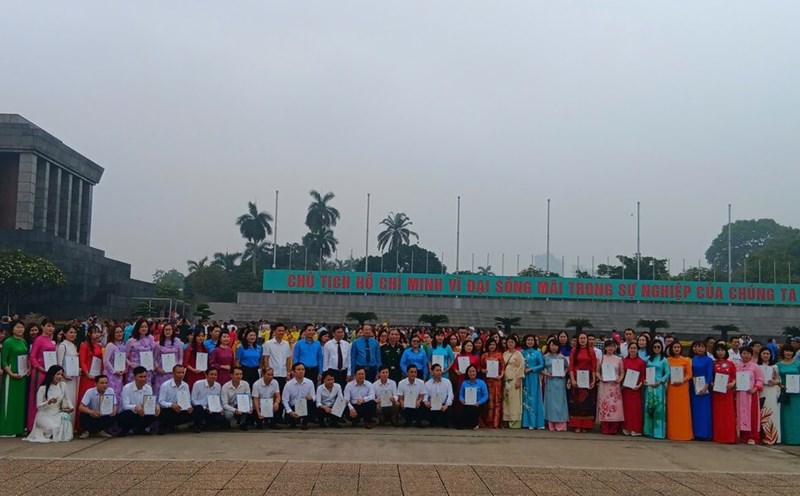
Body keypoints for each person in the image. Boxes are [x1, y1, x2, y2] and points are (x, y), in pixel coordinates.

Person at [24, 365, 74, 442]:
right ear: (51, 375)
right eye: (58, 374)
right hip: (44, 416)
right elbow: (38, 406)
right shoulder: (43, 388)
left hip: (57, 415)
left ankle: (56, 435)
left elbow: (67, 399)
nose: (60, 376)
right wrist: (48, 402)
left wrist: (71, 407)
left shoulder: (63, 385)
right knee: (54, 428)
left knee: (65, 417)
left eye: (61, 374)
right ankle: (48, 433)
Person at [0, 320, 29, 436]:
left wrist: (28, 368)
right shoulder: (8, 342)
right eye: (18, 327)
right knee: (9, 401)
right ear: (12, 329)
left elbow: (26, 357)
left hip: (22, 376)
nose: (20, 329)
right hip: (11, 376)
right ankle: (7, 428)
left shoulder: (23, 341)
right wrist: (10, 373)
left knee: (20, 402)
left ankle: (18, 429)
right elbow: (3, 361)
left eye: (22, 327)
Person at [27, 320, 57, 432]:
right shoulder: (39, 339)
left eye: (52, 326)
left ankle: (46, 425)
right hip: (40, 372)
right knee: (37, 397)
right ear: (42, 327)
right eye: (48, 326)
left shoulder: (50, 340)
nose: (51, 328)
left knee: (47, 397)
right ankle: (33, 425)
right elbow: (32, 356)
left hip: (49, 372)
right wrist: (39, 367)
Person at [568, 331, 597, 433]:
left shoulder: (591, 351)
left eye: (584, 338)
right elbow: (571, 366)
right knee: (576, 403)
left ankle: (586, 425)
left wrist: (593, 380)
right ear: (578, 340)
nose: (583, 340)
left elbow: (593, 367)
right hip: (577, 379)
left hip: (587, 379)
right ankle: (577, 425)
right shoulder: (574, 351)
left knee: (587, 404)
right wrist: (572, 379)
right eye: (581, 338)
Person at [118, 366, 160, 436]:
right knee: (127, 414)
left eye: (145, 376)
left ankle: (141, 429)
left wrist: (156, 406)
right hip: (129, 413)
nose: (143, 379)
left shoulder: (148, 388)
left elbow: (149, 403)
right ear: (134, 377)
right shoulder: (127, 388)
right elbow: (125, 406)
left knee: (156, 412)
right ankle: (125, 429)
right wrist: (135, 407)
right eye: (140, 377)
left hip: (142, 412)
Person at [595, 339, 624, 435]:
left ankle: (614, 428)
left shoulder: (619, 359)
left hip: (614, 386)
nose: (610, 348)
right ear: (605, 347)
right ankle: (604, 427)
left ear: (615, 347)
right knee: (604, 405)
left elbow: (622, 372)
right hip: (604, 385)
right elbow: (597, 371)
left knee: (615, 406)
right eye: (608, 346)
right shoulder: (601, 358)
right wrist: (600, 378)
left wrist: (619, 380)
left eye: (612, 346)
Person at [666, 341, 693, 441]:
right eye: (674, 347)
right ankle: (672, 433)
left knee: (683, 410)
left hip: (682, 387)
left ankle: (684, 433)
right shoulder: (668, 360)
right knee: (672, 410)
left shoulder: (685, 360)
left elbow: (689, 374)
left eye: (678, 347)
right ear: (671, 349)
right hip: (672, 387)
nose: (676, 349)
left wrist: (682, 380)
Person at [736, 346, 763, 444]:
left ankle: (753, 436)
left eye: (748, 353)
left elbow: (759, 379)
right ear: (740, 354)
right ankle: (744, 436)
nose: (746, 355)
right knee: (741, 414)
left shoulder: (755, 366)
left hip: (751, 394)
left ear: (751, 355)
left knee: (752, 414)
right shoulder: (737, 366)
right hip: (740, 394)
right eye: (744, 353)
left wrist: (754, 389)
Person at [156, 364, 194, 435]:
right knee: (166, 412)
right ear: (173, 373)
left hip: (181, 410)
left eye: (183, 373)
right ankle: (164, 427)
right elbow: (160, 402)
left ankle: (196, 426)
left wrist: (189, 406)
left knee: (198, 409)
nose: (181, 375)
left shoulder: (185, 385)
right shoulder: (165, 385)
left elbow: (188, 400)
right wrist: (171, 405)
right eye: (179, 373)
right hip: (170, 411)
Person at [643, 340, 669, 439]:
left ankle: (659, 432)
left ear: (661, 348)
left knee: (659, 408)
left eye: (658, 347)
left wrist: (660, 381)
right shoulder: (647, 359)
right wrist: (644, 380)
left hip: (659, 386)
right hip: (649, 386)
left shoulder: (664, 360)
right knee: (648, 408)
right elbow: (642, 370)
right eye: (655, 347)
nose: (656, 349)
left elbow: (667, 373)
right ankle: (648, 431)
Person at [77, 374, 115, 439]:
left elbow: (115, 405)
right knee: (83, 414)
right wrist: (91, 412)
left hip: (104, 415)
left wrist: (114, 411)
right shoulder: (90, 392)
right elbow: (81, 407)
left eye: (106, 383)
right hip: (92, 416)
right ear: (96, 384)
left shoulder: (110, 391)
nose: (104, 385)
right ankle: (86, 431)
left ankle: (102, 430)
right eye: (102, 383)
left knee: (114, 415)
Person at [690, 341, 714, 441]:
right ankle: (696, 433)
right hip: (693, 387)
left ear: (705, 348)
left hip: (704, 388)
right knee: (695, 411)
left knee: (704, 411)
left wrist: (706, 387)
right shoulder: (693, 359)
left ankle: (705, 434)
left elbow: (709, 374)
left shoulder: (709, 360)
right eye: (698, 347)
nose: (700, 349)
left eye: (702, 347)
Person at [56, 325, 79, 427]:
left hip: (73, 378)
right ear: (64, 334)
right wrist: (64, 375)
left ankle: (71, 425)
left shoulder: (74, 346)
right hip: (65, 379)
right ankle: (62, 426)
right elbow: (59, 363)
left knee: (72, 399)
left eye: (74, 332)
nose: (73, 334)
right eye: (70, 332)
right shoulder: (62, 346)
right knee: (65, 399)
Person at [776, 346, 800, 445]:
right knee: (785, 416)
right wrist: (780, 385)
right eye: (786, 351)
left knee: (796, 416)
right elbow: (776, 379)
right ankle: (786, 438)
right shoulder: (777, 365)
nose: (788, 353)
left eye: (790, 351)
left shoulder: (798, 364)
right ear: (783, 352)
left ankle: (797, 439)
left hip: (797, 394)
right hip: (785, 393)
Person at [621, 342, 645, 436]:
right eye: (631, 348)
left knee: (635, 409)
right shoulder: (624, 361)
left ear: (637, 350)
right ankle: (626, 427)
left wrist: (639, 384)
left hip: (636, 389)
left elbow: (643, 375)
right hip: (626, 388)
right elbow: (621, 373)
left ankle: (635, 428)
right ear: (628, 349)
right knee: (626, 409)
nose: (633, 350)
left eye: (635, 348)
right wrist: (622, 382)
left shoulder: (641, 362)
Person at [262, 323, 292, 401]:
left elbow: (288, 359)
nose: (281, 332)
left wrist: (288, 372)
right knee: (271, 396)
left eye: (283, 331)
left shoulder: (286, 344)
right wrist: (267, 371)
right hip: (272, 375)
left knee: (281, 396)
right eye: (279, 331)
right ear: (274, 331)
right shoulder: (268, 344)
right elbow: (266, 358)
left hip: (283, 374)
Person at [757, 347, 781, 445]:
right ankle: (763, 436)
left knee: (773, 414)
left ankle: (775, 438)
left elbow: (779, 380)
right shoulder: (756, 366)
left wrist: (775, 381)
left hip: (772, 391)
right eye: (764, 353)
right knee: (762, 414)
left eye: (768, 353)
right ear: (760, 355)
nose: (766, 355)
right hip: (761, 391)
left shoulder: (775, 367)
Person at [520, 335, 545, 430]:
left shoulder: (537, 352)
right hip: (524, 377)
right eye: (528, 340)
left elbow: (542, 365)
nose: (530, 341)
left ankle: (536, 422)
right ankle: (526, 422)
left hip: (534, 377)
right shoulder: (521, 352)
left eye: (532, 340)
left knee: (534, 397)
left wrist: (531, 369)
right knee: (525, 398)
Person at [282, 363, 316, 430]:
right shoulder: (288, 385)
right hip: (293, 407)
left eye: (303, 369)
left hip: (304, 406)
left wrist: (311, 397)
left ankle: (304, 423)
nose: (301, 371)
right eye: (298, 369)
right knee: (291, 423)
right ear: (293, 372)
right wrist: (290, 412)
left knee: (311, 401)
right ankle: (293, 421)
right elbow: (285, 400)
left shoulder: (310, 382)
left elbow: (314, 397)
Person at [480, 339, 505, 428]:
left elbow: (502, 368)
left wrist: (501, 375)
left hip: (497, 381)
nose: (492, 346)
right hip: (487, 381)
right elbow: (481, 368)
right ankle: (488, 421)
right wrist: (484, 370)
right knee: (489, 401)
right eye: (490, 345)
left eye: (494, 344)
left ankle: (496, 422)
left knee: (497, 401)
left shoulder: (499, 355)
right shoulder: (484, 356)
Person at [190, 367, 224, 433]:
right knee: (199, 409)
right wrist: (205, 408)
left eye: (215, 375)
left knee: (222, 418)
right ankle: (197, 426)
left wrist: (220, 408)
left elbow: (218, 400)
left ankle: (206, 425)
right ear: (206, 375)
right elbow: (193, 400)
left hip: (211, 409)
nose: (213, 376)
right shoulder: (198, 384)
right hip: (200, 408)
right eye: (211, 374)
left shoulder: (218, 386)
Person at [154, 323, 183, 397]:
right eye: (166, 329)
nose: (167, 331)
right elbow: (155, 359)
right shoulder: (158, 344)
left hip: (174, 373)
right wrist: (158, 368)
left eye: (169, 329)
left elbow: (180, 358)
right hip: (162, 373)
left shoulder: (178, 343)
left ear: (173, 331)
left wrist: (178, 368)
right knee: (161, 391)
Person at [502, 336, 524, 429]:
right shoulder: (504, 354)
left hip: (514, 379)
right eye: (509, 342)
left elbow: (521, 367)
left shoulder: (518, 354)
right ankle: (506, 420)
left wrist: (519, 380)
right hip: (505, 379)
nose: (510, 344)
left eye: (512, 342)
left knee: (514, 400)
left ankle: (514, 422)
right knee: (506, 400)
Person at [457, 365, 488, 430]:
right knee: (459, 424)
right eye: (470, 371)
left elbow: (486, 396)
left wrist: (479, 402)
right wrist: (462, 399)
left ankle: (474, 423)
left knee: (472, 411)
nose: (472, 373)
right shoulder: (464, 383)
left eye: (473, 371)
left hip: (478, 405)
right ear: (467, 373)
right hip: (467, 404)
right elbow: (461, 394)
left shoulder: (481, 383)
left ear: (476, 372)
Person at [221, 366, 252, 431]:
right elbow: (224, 404)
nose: (239, 376)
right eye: (237, 374)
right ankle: (227, 422)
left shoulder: (245, 384)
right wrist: (235, 410)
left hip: (241, 405)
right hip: (230, 406)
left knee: (247, 406)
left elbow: (249, 398)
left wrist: (250, 407)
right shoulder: (225, 386)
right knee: (229, 415)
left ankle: (242, 423)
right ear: (232, 375)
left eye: (241, 374)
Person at [423, 363, 453, 428]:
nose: (439, 372)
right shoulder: (427, 384)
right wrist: (426, 401)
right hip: (432, 405)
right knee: (424, 407)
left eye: (440, 370)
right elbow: (425, 396)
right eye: (437, 370)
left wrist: (446, 405)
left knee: (449, 411)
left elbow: (450, 395)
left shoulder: (447, 382)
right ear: (432, 372)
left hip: (443, 405)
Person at [323, 325, 352, 390]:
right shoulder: (328, 344)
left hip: (343, 371)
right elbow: (325, 360)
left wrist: (349, 373)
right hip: (332, 371)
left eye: (342, 332)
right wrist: (326, 373)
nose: (341, 334)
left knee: (342, 390)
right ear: (333, 334)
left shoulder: (346, 344)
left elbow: (348, 359)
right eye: (338, 332)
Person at [103, 324, 127, 398]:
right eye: (117, 332)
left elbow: (124, 359)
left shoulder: (122, 345)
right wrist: (113, 371)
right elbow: (106, 360)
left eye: (121, 331)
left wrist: (128, 366)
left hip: (119, 374)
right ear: (113, 334)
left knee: (118, 393)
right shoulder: (110, 345)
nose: (119, 334)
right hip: (111, 375)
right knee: (111, 394)